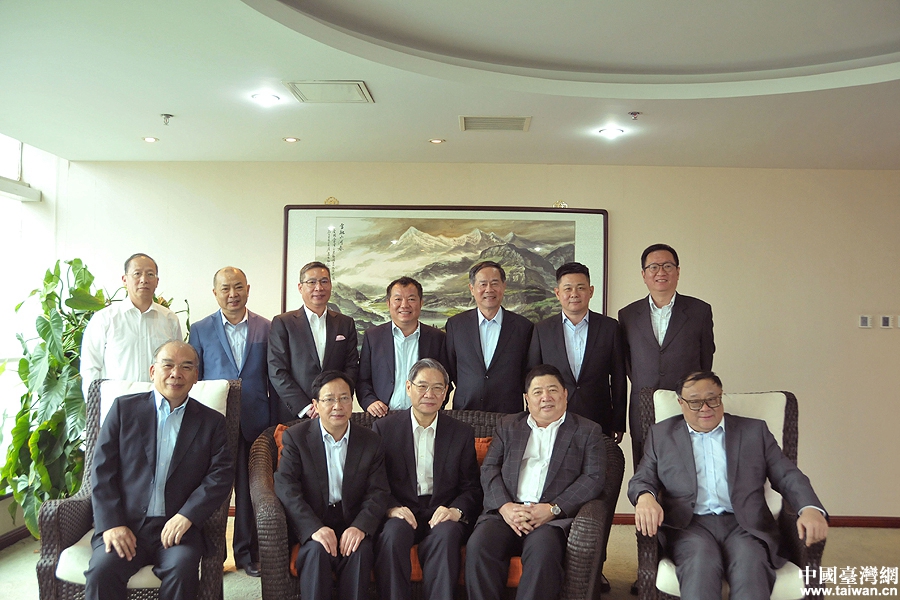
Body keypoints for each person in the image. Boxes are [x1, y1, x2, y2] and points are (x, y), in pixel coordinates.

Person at [628, 371, 828, 600]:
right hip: (690, 526)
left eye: (712, 399)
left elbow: (787, 475)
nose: (705, 408)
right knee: (700, 565)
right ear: (681, 403)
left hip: (744, 524)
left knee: (750, 566)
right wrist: (645, 497)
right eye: (695, 402)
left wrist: (809, 507)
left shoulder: (754, 431)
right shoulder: (661, 435)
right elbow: (643, 478)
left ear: (721, 396)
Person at [85, 340, 234, 600]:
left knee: (182, 570)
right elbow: (101, 471)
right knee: (102, 571)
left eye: (186, 367)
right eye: (168, 365)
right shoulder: (123, 409)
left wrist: (187, 516)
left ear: (196, 376)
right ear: (153, 371)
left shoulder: (212, 422)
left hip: (177, 527)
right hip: (126, 523)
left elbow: (220, 476)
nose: (176, 374)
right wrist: (112, 524)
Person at [465, 364, 606, 600]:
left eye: (553, 390)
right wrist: (505, 507)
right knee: (479, 546)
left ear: (565, 395)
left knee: (543, 554)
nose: (545, 397)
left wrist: (553, 509)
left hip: (551, 519)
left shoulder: (587, 431)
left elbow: (593, 478)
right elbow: (489, 468)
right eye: (538, 392)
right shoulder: (508, 426)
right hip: (507, 513)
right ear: (526, 399)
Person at [526, 261, 625, 593]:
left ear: (591, 291)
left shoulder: (610, 328)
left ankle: (597, 566)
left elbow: (618, 377)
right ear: (557, 293)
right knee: (561, 486)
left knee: (598, 495)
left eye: (581, 287)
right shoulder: (542, 330)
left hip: (597, 420)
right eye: (567, 288)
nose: (574, 294)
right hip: (554, 423)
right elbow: (532, 377)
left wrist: (618, 420)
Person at [188, 266, 277, 577]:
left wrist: (274, 422)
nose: (232, 294)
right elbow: (195, 379)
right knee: (213, 491)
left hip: (256, 419)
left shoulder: (267, 327)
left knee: (251, 490)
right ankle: (211, 557)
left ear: (248, 289)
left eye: (238, 287)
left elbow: (273, 378)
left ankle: (246, 554)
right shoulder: (200, 329)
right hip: (215, 421)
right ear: (215, 293)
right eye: (225, 288)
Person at [372, 358, 482, 600]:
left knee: (447, 536)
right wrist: (391, 509)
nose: (429, 394)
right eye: (422, 386)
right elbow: (375, 483)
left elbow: (472, 487)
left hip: (442, 512)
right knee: (392, 535)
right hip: (402, 511)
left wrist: (456, 511)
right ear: (408, 387)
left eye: (437, 388)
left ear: (445, 393)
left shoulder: (461, 433)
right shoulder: (384, 430)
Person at [274, 371, 390, 600]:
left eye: (344, 398)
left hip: (352, 522)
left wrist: (360, 527)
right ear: (316, 404)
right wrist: (313, 528)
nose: (338, 406)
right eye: (329, 399)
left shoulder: (370, 441)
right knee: (316, 552)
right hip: (314, 520)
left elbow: (378, 492)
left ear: (352, 402)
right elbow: (286, 486)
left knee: (360, 551)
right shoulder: (296, 438)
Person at [617, 243, 714, 464]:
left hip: (687, 404)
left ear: (677, 271)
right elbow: (627, 363)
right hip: (643, 406)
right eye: (653, 267)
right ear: (643, 274)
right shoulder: (628, 315)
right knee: (645, 468)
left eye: (667, 266)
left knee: (688, 467)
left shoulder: (699, 311)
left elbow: (705, 359)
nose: (660, 272)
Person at [268, 261, 359, 423]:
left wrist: (337, 401)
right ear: (300, 287)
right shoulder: (283, 323)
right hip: (295, 414)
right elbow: (277, 370)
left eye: (324, 281)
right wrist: (307, 408)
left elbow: (351, 366)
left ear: (330, 285)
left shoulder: (345, 323)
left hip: (335, 412)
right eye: (311, 282)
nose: (319, 288)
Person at [80, 253, 182, 396]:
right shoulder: (104, 319)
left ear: (157, 281)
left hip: (159, 402)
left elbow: (177, 363)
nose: (144, 280)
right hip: (116, 402)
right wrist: (94, 403)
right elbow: (91, 367)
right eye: (137, 274)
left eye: (150, 274)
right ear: (124, 280)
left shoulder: (170, 319)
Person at [444, 261, 533, 413]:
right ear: (472, 288)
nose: (489, 289)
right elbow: (450, 368)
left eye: (495, 283)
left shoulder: (523, 327)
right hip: (466, 409)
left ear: (504, 286)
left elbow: (527, 371)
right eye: (483, 284)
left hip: (508, 411)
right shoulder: (456, 325)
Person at [358, 277, 449, 417]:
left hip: (425, 417)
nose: (404, 305)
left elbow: (446, 380)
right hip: (383, 416)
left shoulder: (437, 338)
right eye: (398, 299)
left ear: (421, 303)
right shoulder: (373, 337)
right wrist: (370, 402)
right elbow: (362, 380)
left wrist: (435, 405)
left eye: (411, 299)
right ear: (388, 303)